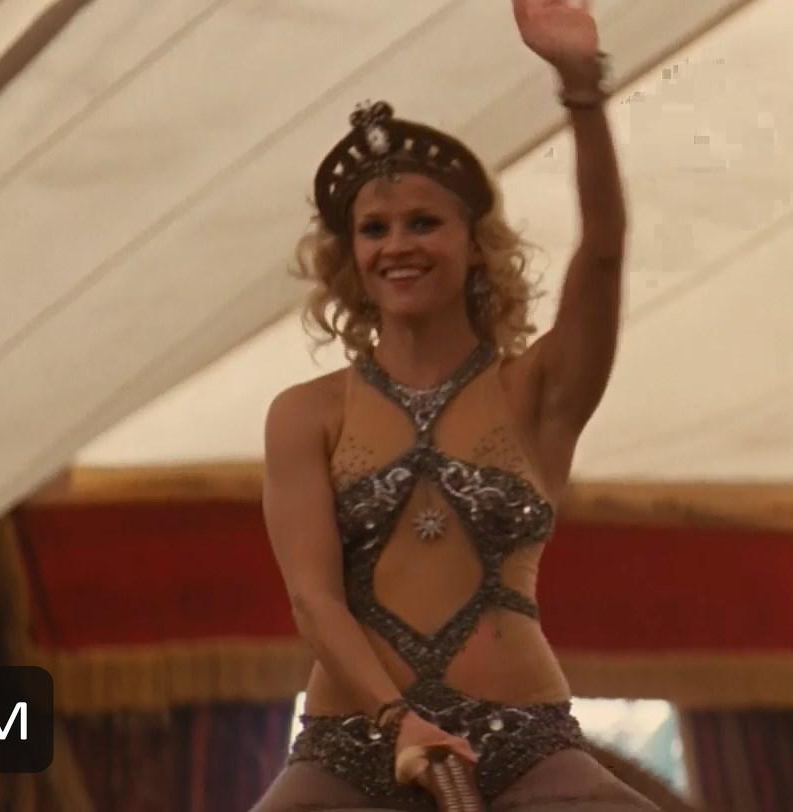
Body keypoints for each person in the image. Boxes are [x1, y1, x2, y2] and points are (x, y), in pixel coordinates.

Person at [250, 1, 651, 809]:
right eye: (374, 229)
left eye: (425, 222)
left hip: (524, 745)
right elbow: (313, 600)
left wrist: (582, 91)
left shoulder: (538, 391)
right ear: (351, 255)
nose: (398, 245)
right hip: (350, 747)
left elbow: (604, 254)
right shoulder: (308, 414)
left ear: (475, 244)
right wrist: (399, 721)